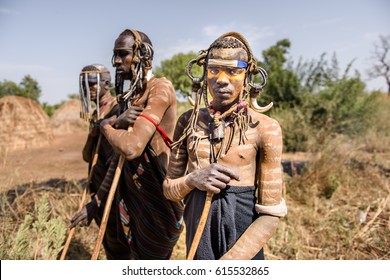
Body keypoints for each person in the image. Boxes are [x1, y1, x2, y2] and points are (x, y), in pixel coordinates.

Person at [163, 32, 287, 260]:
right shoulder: (188, 122)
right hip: (199, 243)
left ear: (248, 76)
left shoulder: (265, 128)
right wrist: (192, 180)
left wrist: (229, 264)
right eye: (214, 70)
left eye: (233, 71)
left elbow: (270, 215)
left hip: (243, 250)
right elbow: (169, 189)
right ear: (203, 74)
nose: (221, 79)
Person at [71, 29, 183, 260]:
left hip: (156, 198)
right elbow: (117, 160)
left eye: (123, 54)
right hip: (131, 197)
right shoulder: (129, 99)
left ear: (144, 55)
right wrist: (98, 201)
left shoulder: (160, 89)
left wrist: (105, 127)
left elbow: (132, 147)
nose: (117, 61)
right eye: (115, 55)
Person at [72, 64, 142, 259]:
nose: (89, 88)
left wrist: (96, 201)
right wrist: (95, 132)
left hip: (115, 191)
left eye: (92, 83)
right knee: (110, 244)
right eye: (85, 85)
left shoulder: (117, 109)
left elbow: (117, 159)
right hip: (99, 186)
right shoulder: (96, 114)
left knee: (122, 245)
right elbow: (87, 155)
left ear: (107, 83)